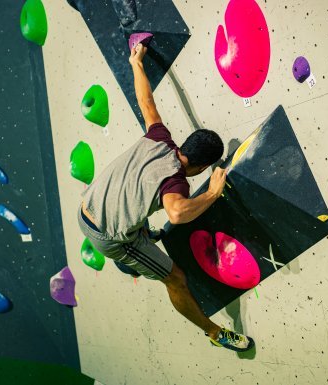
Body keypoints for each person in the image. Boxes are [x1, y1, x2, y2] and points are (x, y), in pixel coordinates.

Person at [77, 43, 255, 352]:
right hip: (108, 236)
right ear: (199, 168)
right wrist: (212, 192)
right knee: (174, 278)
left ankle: (143, 231)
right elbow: (177, 213)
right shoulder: (175, 184)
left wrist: (137, 63)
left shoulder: (159, 137)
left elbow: (146, 102)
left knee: (139, 194)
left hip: (87, 206)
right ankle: (214, 333)